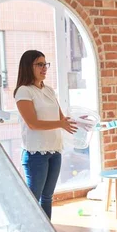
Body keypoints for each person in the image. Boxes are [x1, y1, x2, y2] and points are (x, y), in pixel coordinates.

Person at [14, 50, 77, 219]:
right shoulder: (23, 91)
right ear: (29, 66)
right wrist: (60, 124)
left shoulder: (49, 90)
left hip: (54, 150)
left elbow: (61, 118)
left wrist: (78, 120)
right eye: (39, 64)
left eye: (45, 64)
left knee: (47, 197)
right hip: (36, 154)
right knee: (33, 200)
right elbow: (32, 124)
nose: (44, 68)